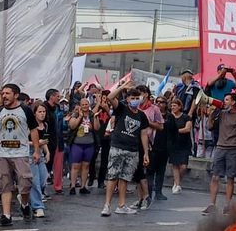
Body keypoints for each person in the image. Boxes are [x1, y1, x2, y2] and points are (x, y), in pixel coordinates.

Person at [0, 83, 40, 227]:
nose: (4, 96)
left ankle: (24, 204)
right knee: (4, 183)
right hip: (2, 154)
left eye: (7, 93)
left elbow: (34, 130)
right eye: (3, 94)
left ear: (16, 95)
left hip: (21, 153)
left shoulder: (25, 110)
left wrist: (36, 151)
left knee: (25, 183)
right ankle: (6, 215)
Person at [102, 80, 150, 217]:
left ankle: (121, 205)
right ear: (127, 99)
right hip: (118, 147)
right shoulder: (122, 108)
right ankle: (107, 205)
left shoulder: (142, 115)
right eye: (132, 98)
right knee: (113, 176)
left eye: (137, 98)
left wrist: (146, 153)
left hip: (133, 150)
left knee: (125, 178)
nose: (135, 100)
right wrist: (122, 87)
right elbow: (110, 98)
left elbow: (144, 134)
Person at [203, 91, 236, 215]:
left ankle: (227, 205)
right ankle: (212, 204)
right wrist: (212, 115)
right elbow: (209, 127)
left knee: (230, 178)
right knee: (215, 176)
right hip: (220, 147)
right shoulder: (221, 114)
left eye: (227, 100)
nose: (224, 102)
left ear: (234, 102)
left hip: (233, 149)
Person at [65, 97, 98, 195]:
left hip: (89, 143)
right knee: (75, 165)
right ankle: (73, 186)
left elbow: (97, 128)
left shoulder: (92, 115)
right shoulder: (75, 114)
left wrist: (95, 120)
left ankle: (84, 186)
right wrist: (80, 117)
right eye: (83, 104)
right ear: (80, 105)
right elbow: (72, 126)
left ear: (89, 105)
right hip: (77, 143)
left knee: (86, 165)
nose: (85, 106)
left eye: (86, 104)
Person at [165, 96, 193, 194]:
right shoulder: (169, 117)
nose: (173, 107)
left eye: (175, 105)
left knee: (183, 166)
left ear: (180, 106)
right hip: (173, 144)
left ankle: (177, 181)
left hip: (184, 144)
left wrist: (175, 131)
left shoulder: (186, 117)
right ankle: (176, 184)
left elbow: (187, 128)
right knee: (175, 165)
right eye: (171, 106)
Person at [29, 101, 51, 217]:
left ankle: (26, 195)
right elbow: (23, 141)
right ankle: (38, 206)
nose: (42, 114)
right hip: (30, 153)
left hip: (41, 152)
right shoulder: (30, 126)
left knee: (44, 178)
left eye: (44, 111)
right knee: (35, 181)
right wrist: (36, 143)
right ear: (34, 113)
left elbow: (44, 140)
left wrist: (47, 151)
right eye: (39, 112)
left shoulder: (45, 125)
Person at [147, 96, 170, 203]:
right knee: (150, 171)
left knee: (161, 171)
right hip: (152, 147)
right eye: (157, 102)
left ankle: (159, 192)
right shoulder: (151, 115)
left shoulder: (170, 117)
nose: (159, 104)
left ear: (166, 104)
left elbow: (173, 133)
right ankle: (148, 192)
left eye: (162, 102)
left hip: (164, 148)